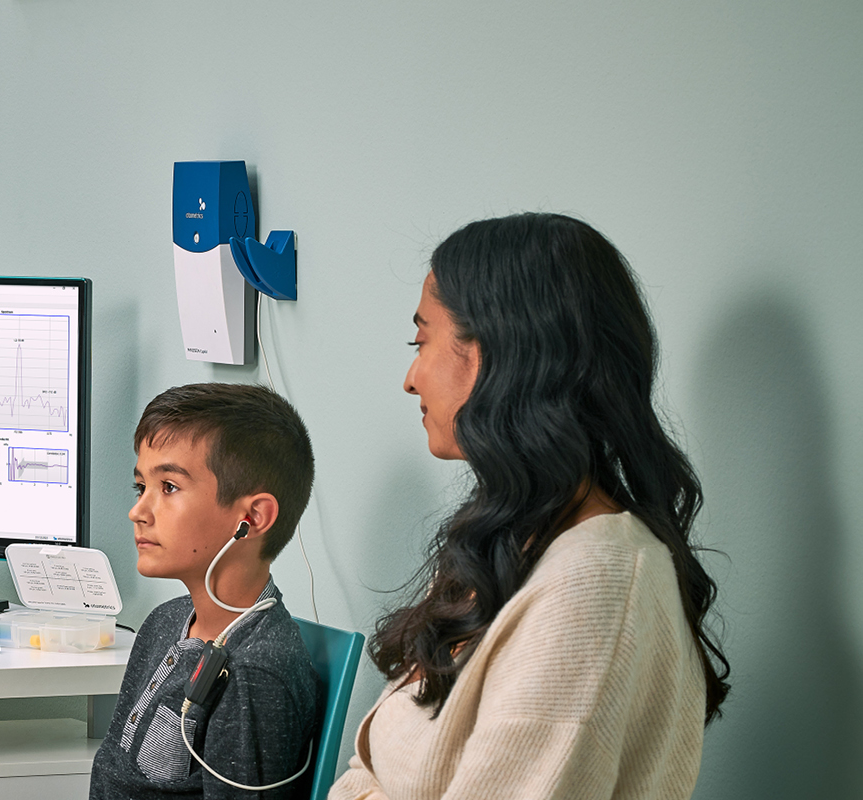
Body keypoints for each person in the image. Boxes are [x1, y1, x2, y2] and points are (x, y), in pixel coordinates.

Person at [330, 213, 730, 799]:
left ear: (496, 355)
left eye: (422, 341)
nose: (411, 378)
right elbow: (366, 771)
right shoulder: (510, 544)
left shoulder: (594, 584)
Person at [91, 383, 323, 800]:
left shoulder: (254, 673)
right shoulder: (165, 622)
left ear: (252, 518)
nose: (138, 512)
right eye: (140, 487)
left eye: (169, 488)